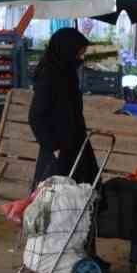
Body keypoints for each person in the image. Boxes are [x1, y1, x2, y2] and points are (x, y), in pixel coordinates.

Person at [30, 27, 95, 187]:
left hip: (76, 143)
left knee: (83, 195)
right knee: (57, 200)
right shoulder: (49, 76)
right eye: (78, 54)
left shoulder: (68, 72)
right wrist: (53, 147)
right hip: (58, 149)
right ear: (67, 50)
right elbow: (36, 116)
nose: (80, 58)